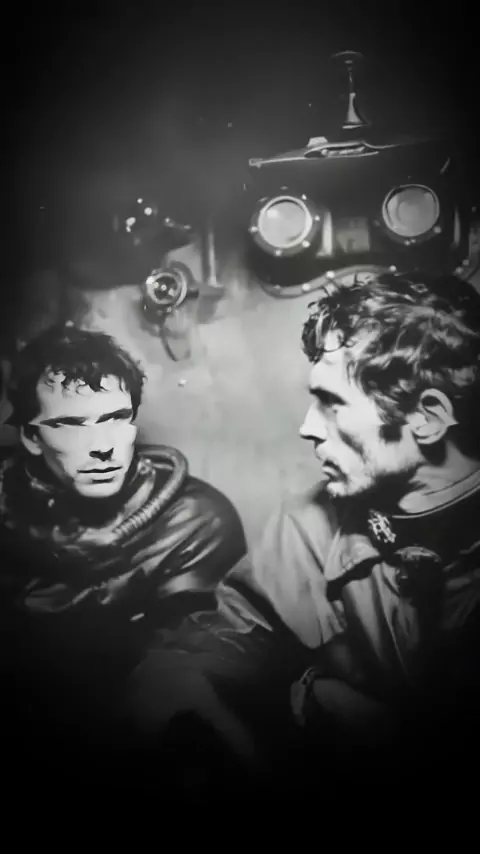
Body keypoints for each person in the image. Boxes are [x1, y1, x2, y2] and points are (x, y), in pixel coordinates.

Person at [127, 271, 480, 795]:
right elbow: (230, 633)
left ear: (428, 417)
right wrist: (178, 676)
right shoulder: (309, 523)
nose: (308, 427)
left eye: (332, 402)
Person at [0, 323, 246, 779]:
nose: (102, 447)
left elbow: (189, 681)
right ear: (31, 438)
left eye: (116, 418)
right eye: (70, 424)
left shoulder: (195, 520)